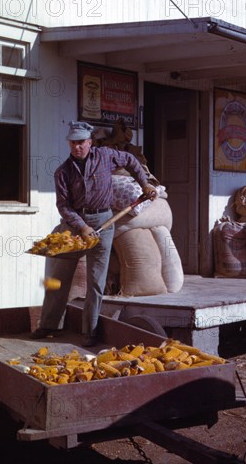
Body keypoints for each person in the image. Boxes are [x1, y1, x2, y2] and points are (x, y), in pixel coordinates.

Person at [31, 120, 157, 346]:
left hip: (104, 221)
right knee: (57, 277)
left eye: (81, 142)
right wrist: (82, 227)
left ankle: (89, 331)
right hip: (75, 226)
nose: (76, 147)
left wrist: (145, 183)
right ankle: (48, 325)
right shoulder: (63, 172)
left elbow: (130, 160)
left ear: (89, 142)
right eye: (72, 143)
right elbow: (63, 206)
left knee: (96, 281)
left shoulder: (106, 156)